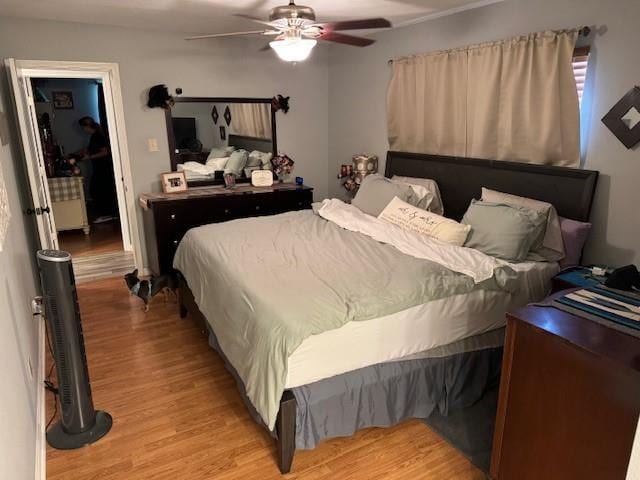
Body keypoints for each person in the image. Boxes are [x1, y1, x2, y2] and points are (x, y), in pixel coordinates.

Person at [77, 116, 118, 223]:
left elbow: (105, 152)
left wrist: (89, 157)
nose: (83, 130)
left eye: (82, 127)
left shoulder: (98, 136)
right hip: (99, 168)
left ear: (86, 126)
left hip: (104, 168)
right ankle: (109, 214)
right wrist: (80, 152)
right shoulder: (94, 136)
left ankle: (107, 214)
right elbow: (91, 148)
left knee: (96, 190)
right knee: (99, 190)